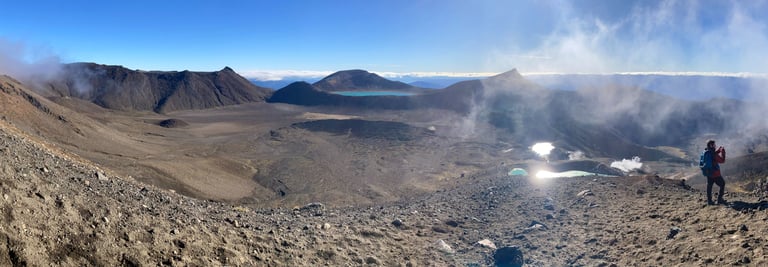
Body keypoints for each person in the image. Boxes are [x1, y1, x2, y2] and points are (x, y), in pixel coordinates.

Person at [703, 140, 726, 205]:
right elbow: (722, 160)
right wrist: (723, 152)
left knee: (709, 186)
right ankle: (719, 199)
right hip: (716, 174)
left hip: (708, 173)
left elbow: (713, 155)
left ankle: (709, 201)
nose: (715, 146)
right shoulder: (714, 154)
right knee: (722, 184)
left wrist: (718, 151)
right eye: (714, 145)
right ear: (711, 145)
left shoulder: (706, 152)